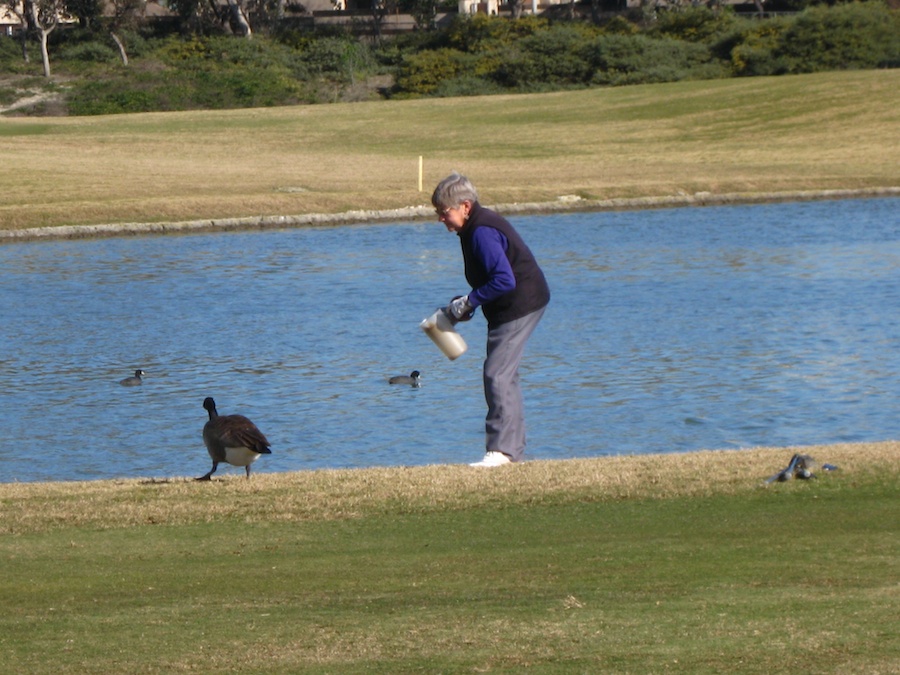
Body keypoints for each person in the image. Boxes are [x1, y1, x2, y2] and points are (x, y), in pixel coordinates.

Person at [432, 172, 550, 468]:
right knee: (505, 375)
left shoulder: (481, 231)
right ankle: (512, 453)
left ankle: (501, 452)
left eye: (444, 212)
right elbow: (491, 279)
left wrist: (470, 301)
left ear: (465, 206)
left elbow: (504, 280)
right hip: (513, 304)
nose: (440, 219)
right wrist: (465, 304)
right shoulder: (472, 229)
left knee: (496, 373)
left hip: (520, 304)